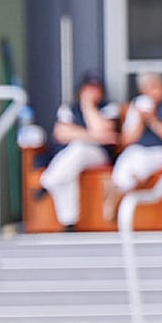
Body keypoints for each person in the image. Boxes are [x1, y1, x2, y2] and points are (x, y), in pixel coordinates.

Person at [34, 71, 120, 231]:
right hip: (70, 154)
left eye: (95, 88)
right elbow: (61, 133)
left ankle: (47, 182)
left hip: (98, 155)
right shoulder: (69, 108)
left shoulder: (108, 107)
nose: (92, 92)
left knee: (78, 151)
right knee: (69, 167)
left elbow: (104, 130)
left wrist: (88, 107)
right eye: (88, 88)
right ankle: (69, 222)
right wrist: (94, 136)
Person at [103, 70, 162, 220]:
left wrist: (153, 121)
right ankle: (120, 191)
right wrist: (140, 120)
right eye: (147, 88)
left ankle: (119, 194)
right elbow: (126, 140)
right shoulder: (138, 104)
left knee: (143, 162)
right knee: (127, 158)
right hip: (137, 149)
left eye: (154, 87)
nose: (151, 92)